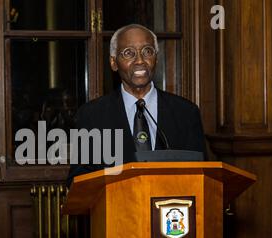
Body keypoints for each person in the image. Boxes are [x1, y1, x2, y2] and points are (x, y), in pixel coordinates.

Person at [67, 24, 207, 185]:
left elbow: (202, 176)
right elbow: (78, 182)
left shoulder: (186, 113)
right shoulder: (91, 116)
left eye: (147, 51)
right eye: (129, 53)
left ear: (156, 58)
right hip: (116, 208)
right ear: (113, 62)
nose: (140, 60)